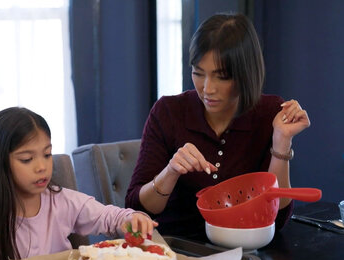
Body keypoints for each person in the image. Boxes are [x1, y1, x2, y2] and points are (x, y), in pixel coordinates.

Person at [125, 13, 310, 241]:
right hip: (177, 250)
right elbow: (136, 207)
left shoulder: (269, 113)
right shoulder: (168, 112)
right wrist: (170, 171)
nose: (207, 88)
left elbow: (276, 218)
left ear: (246, 74)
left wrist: (282, 141)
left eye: (221, 77)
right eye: (198, 73)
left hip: (246, 250)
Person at [0, 107, 157, 260]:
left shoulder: (61, 200)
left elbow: (109, 216)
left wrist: (132, 219)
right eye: (27, 159)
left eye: (47, 155)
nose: (41, 166)